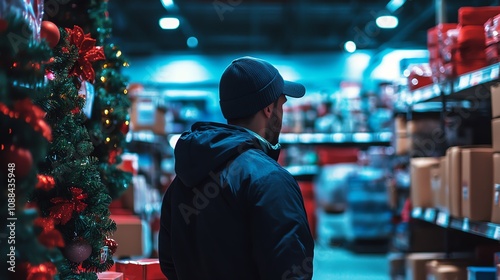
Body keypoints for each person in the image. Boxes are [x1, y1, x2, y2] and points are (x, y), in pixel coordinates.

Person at [159, 56, 315, 280]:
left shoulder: (182, 180)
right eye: (282, 104)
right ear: (269, 108)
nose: (282, 112)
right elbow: (290, 271)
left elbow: (169, 263)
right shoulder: (270, 179)